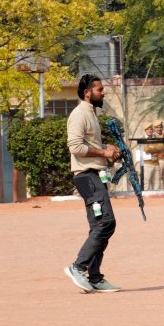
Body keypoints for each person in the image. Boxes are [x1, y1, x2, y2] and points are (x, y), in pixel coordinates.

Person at [64, 74, 122, 293]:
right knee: (106, 223)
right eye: (99, 89)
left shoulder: (91, 114)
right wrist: (103, 152)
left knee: (97, 226)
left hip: (95, 175)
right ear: (87, 93)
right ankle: (77, 267)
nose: (103, 92)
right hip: (87, 177)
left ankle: (95, 277)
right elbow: (76, 147)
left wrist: (110, 152)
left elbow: (92, 146)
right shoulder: (79, 114)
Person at [136, 123, 163, 190]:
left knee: (157, 183)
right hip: (147, 164)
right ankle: (146, 198)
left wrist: (152, 148)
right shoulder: (143, 139)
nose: (150, 130)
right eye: (148, 129)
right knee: (146, 182)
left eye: (151, 129)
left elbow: (161, 147)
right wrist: (155, 148)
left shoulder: (156, 138)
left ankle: (156, 198)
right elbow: (146, 149)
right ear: (145, 130)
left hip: (156, 163)